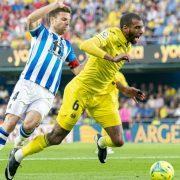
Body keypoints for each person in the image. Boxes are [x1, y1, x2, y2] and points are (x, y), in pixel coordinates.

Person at [5, 12, 145, 179]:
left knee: (118, 141)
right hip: (80, 90)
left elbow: (109, 72)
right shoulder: (112, 34)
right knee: (56, 137)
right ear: (125, 28)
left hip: (102, 95)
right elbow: (86, 45)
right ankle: (18, 155)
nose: (141, 31)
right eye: (137, 28)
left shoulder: (127, 45)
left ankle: (100, 142)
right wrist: (111, 57)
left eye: (141, 28)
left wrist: (125, 89)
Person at [0, 0, 85, 153]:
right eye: (64, 19)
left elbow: (77, 70)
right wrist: (54, 5)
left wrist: (95, 58)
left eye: (69, 21)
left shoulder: (67, 46)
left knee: (29, 124)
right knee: (10, 122)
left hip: (47, 93)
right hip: (27, 83)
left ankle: (18, 146)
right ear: (53, 19)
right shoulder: (41, 33)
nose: (67, 24)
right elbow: (30, 19)